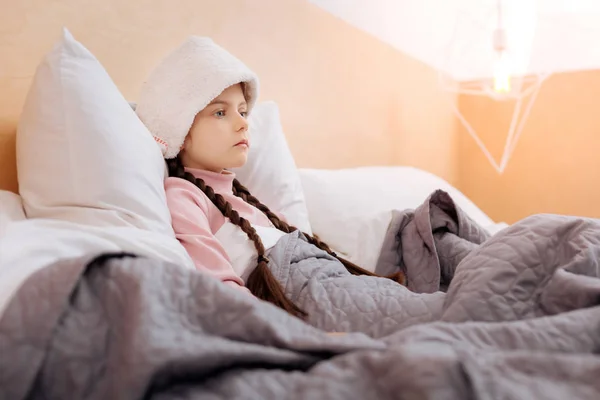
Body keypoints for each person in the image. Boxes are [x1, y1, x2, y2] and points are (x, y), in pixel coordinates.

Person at [135, 36, 404, 320]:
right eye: (220, 112)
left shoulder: (243, 199)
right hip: (301, 295)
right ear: (181, 130)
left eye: (242, 111)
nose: (243, 123)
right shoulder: (183, 196)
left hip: (327, 276)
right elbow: (219, 286)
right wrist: (281, 329)